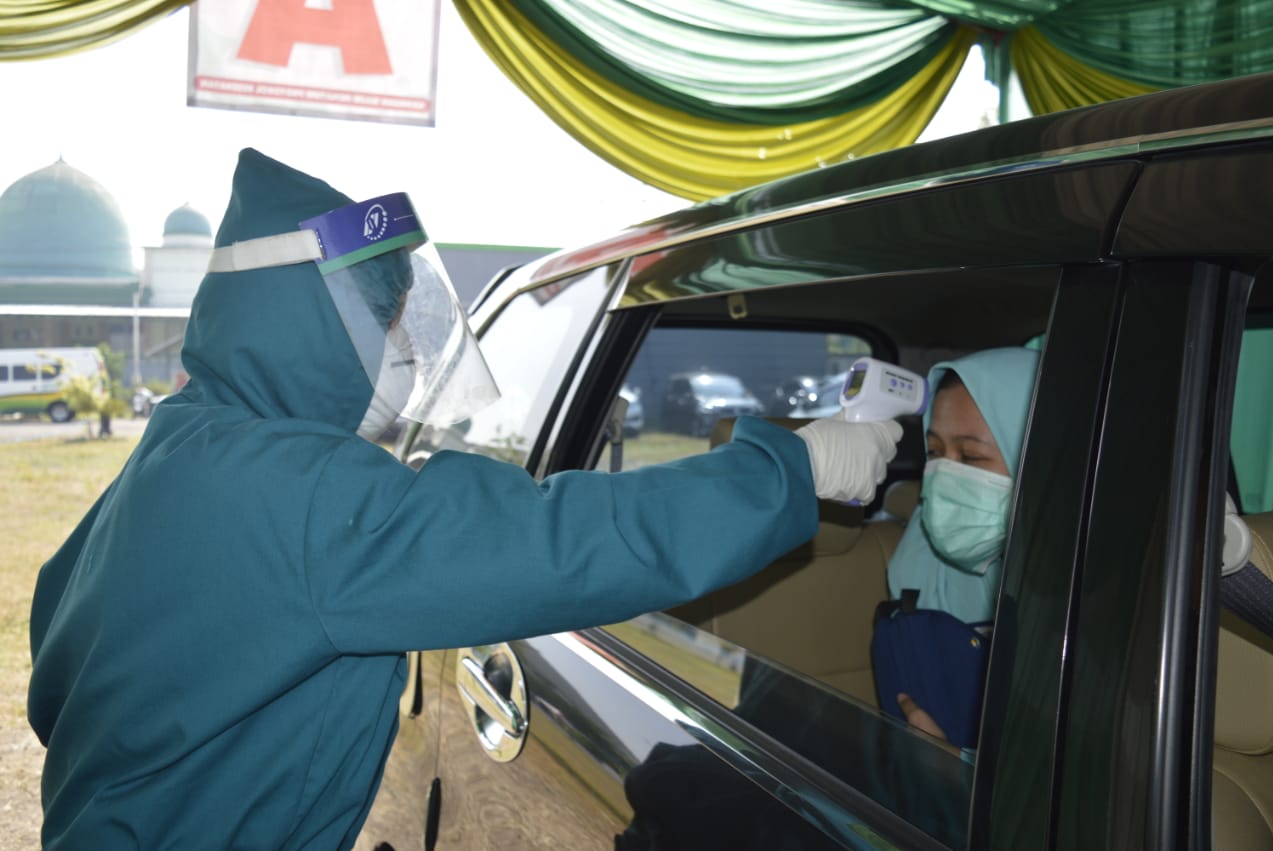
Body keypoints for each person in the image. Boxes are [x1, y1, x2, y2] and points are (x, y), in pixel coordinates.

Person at [26, 148, 902, 850]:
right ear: (313, 323)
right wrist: (792, 465)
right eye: (391, 322)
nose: (407, 348)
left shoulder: (184, 443)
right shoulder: (305, 491)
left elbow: (53, 656)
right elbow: (558, 539)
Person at [871, 347, 1039, 748]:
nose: (945, 474)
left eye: (971, 456)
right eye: (935, 452)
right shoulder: (919, 561)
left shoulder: (1091, 591)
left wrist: (953, 767)